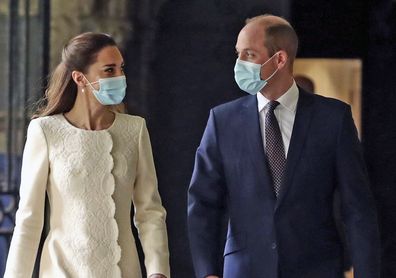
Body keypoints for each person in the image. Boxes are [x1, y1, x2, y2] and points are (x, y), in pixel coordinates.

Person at [187, 14, 380, 278]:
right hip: (245, 269)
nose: (239, 63)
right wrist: (207, 271)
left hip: (317, 268)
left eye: (249, 54)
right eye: (238, 54)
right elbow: (203, 203)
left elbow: (357, 208)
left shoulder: (333, 119)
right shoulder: (222, 121)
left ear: (279, 59)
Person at [4, 32, 170, 278]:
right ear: (80, 78)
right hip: (62, 271)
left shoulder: (134, 129)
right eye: (109, 70)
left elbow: (150, 211)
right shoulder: (46, 131)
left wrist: (158, 271)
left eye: (121, 68)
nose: (120, 77)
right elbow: (29, 220)